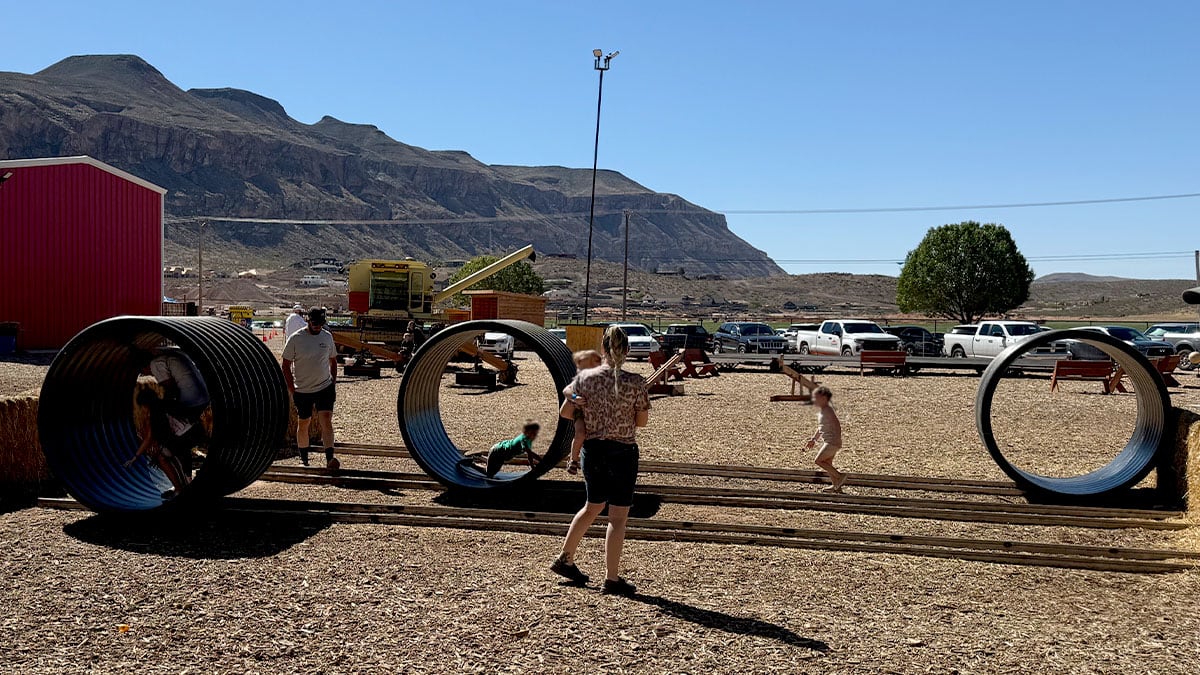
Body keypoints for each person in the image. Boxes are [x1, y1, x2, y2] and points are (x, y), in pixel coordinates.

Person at [552, 326, 650, 596]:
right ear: (627, 350)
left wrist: (583, 407)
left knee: (591, 506)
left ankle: (565, 557)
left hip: (593, 449)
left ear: (603, 350)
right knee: (617, 517)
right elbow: (641, 422)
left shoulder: (585, 379)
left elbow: (565, 412)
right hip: (623, 451)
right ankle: (611, 577)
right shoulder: (636, 382)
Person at [282, 306, 340, 470]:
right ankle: (304, 457)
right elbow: (285, 365)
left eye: (320, 323)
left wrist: (333, 382)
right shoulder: (296, 339)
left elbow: (333, 360)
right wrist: (292, 388)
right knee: (304, 422)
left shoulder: (327, 337)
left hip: (324, 387)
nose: (317, 326)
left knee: (326, 421)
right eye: (315, 323)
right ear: (308, 321)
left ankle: (330, 458)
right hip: (303, 389)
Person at [144, 346, 210, 473]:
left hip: (191, 401)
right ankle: (194, 449)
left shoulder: (155, 363)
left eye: (145, 372)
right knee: (188, 433)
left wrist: (164, 406)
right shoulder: (174, 352)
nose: (149, 374)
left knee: (181, 440)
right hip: (204, 396)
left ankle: (184, 467)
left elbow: (170, 389)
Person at [126, 386, 191, 499]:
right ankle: (187, 480)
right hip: (193, 434)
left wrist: (135, 457)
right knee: (176, 451)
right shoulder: (168, 402)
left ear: (146, 404)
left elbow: (148, 438)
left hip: (181, 441)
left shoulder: (153, 413)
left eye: (143, 406)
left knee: (161, 457)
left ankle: (178, 488)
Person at [560, 350, 603, 476]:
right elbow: (566, 391)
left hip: (595, 413)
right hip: (580, 412)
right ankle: (573, 460)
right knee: (580, 434)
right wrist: (574, 397)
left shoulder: (602, 379)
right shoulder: (580, 380)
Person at [805, 386, 846, 493]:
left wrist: (836, 438)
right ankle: (836, 487)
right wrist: (814, 439)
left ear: (823, 398)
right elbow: (821, 428)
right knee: (828, 463)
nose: (813, 400)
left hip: (832, 442)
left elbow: (837, 425)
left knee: (818, 461)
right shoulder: (823, 412)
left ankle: (840, 476)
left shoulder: (828, 411)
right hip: (830, 441)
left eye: (816, 398)